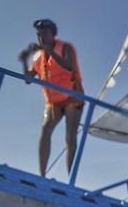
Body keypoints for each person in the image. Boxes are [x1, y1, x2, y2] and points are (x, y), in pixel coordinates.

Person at [19, 19, 84, 175]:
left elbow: (69, 66)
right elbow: (28, 79)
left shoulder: (65, 48)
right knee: (45, 129)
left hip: (72, 97)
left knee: (70, 138)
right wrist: (24, 61)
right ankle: (42, 175)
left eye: (45, 33)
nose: (41, 37)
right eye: (38, 35)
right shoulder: (37, 57)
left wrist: (50, 51)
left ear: (52, 34)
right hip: (53, 101)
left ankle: (71, 180)